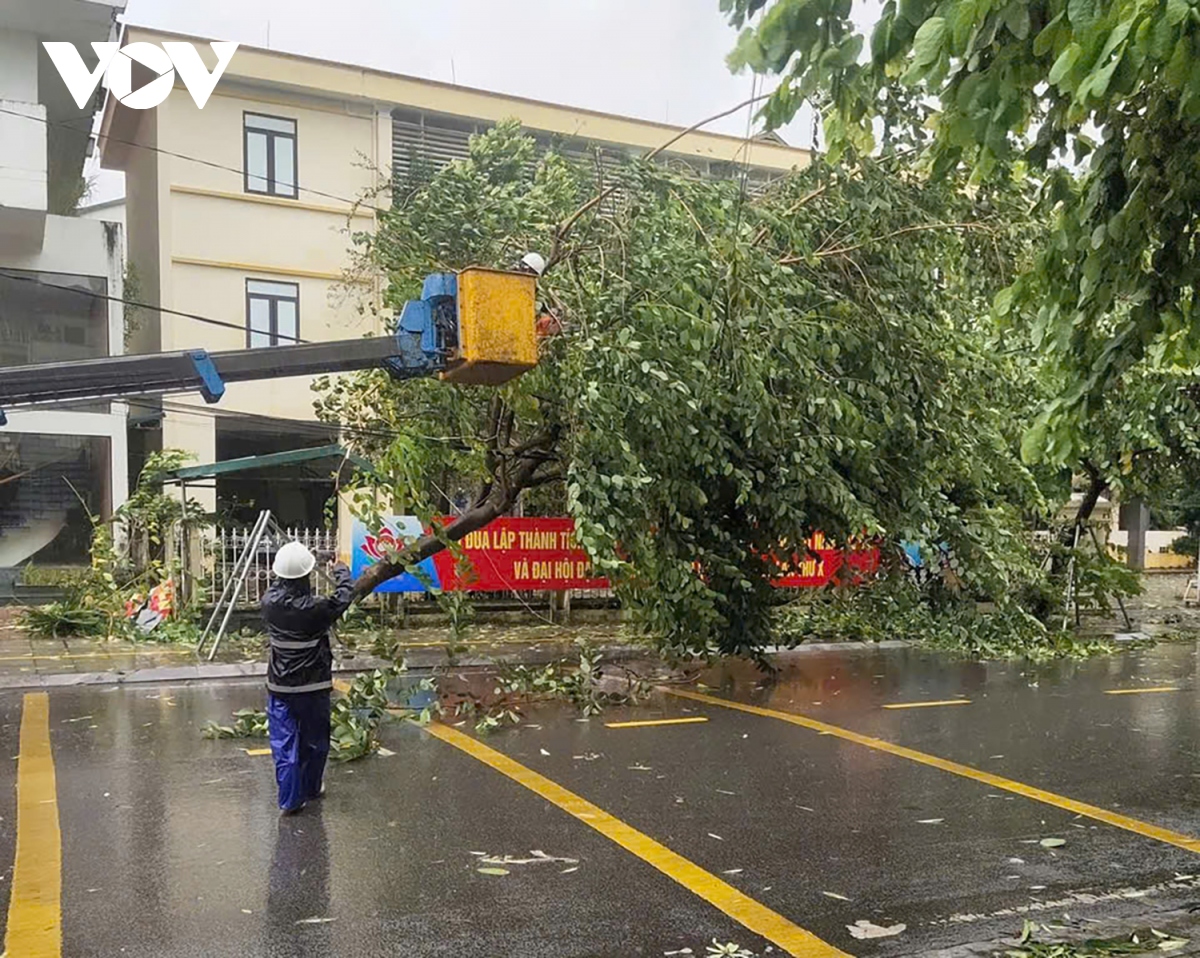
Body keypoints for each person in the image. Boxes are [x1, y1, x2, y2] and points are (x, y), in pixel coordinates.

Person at [261, 541, 354, 814]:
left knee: (284, 743)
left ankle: (290, 799)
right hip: (314, 686)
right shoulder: (317, 609)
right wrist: (340, 570)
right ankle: (312, 787)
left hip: (280, 686)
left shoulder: (268, 603)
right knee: (315, 741)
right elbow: (344, 597)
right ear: (307, 575)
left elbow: (283, 591)